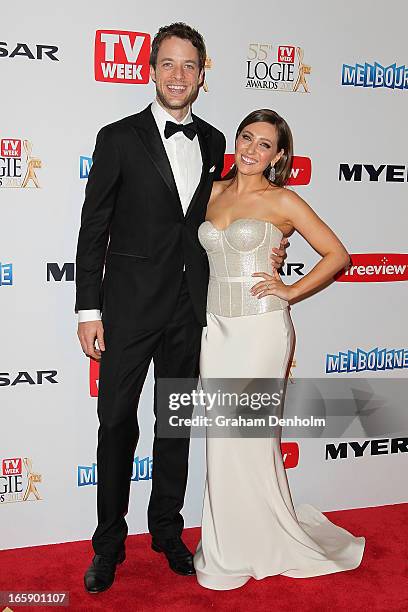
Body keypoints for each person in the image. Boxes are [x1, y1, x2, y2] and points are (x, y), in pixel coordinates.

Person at [75, 25, 288, 593]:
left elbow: (228, 213)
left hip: (192, 312)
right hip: (126, 309)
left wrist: (272, 245)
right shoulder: (117, 137)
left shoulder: (219, 140)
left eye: (189, 65)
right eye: (168, 64)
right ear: (151, 68)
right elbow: (92, 229)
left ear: (202, 72)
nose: (177, 75)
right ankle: (108, 543)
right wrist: (86, 311)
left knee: (174, 426)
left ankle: (167, 531)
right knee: (117, 423)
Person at [194, 109, 365, 590]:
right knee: (223, 442)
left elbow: (338, 254)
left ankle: (260, 540)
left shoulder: (284, 200)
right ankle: (229, 539)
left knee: (248, 438)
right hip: (215, 329)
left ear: (279, 155)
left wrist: (289, 290)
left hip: (261, 331)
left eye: (264, 144)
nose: (251, 149)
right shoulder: (209, 193)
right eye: (246, 138)